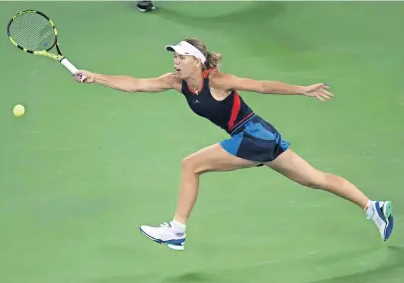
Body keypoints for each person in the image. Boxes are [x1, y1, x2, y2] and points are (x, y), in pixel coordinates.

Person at [73, 38, 394, 251]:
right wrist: (96, 76)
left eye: (182, 57)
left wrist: (302, 90)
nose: (176, 62)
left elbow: (263, 86)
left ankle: (177, 230)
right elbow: (136, 84)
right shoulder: (176, 82)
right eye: (175, 57)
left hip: (253, 136)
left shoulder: (219, 81)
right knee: (314, 180)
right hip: (261, 136)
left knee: (190, 165)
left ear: (198, 62)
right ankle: (373, 207)